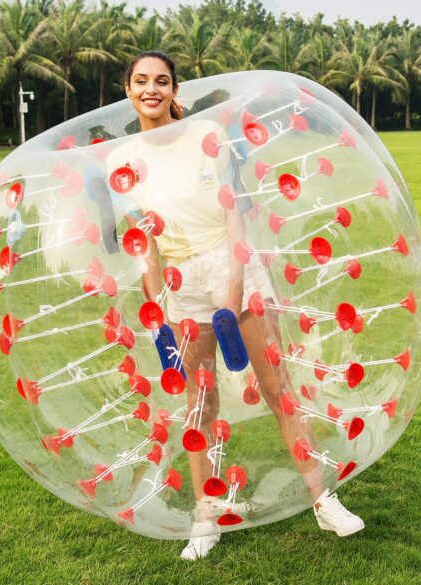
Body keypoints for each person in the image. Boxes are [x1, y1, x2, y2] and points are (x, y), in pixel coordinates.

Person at [110, 50, 364, 561]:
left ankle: (322, 500)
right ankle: (207, 516)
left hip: (234, 269)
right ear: (128, 89)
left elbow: (234, 217)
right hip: (180, 284)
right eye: (141, 81)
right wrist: (155, 302)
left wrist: (231, 292)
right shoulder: (121, 160)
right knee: (199, 404)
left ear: (175, 91)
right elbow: (145, 240)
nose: (151, 89)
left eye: (161, 81)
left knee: (278, 390)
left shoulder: (208, 140)